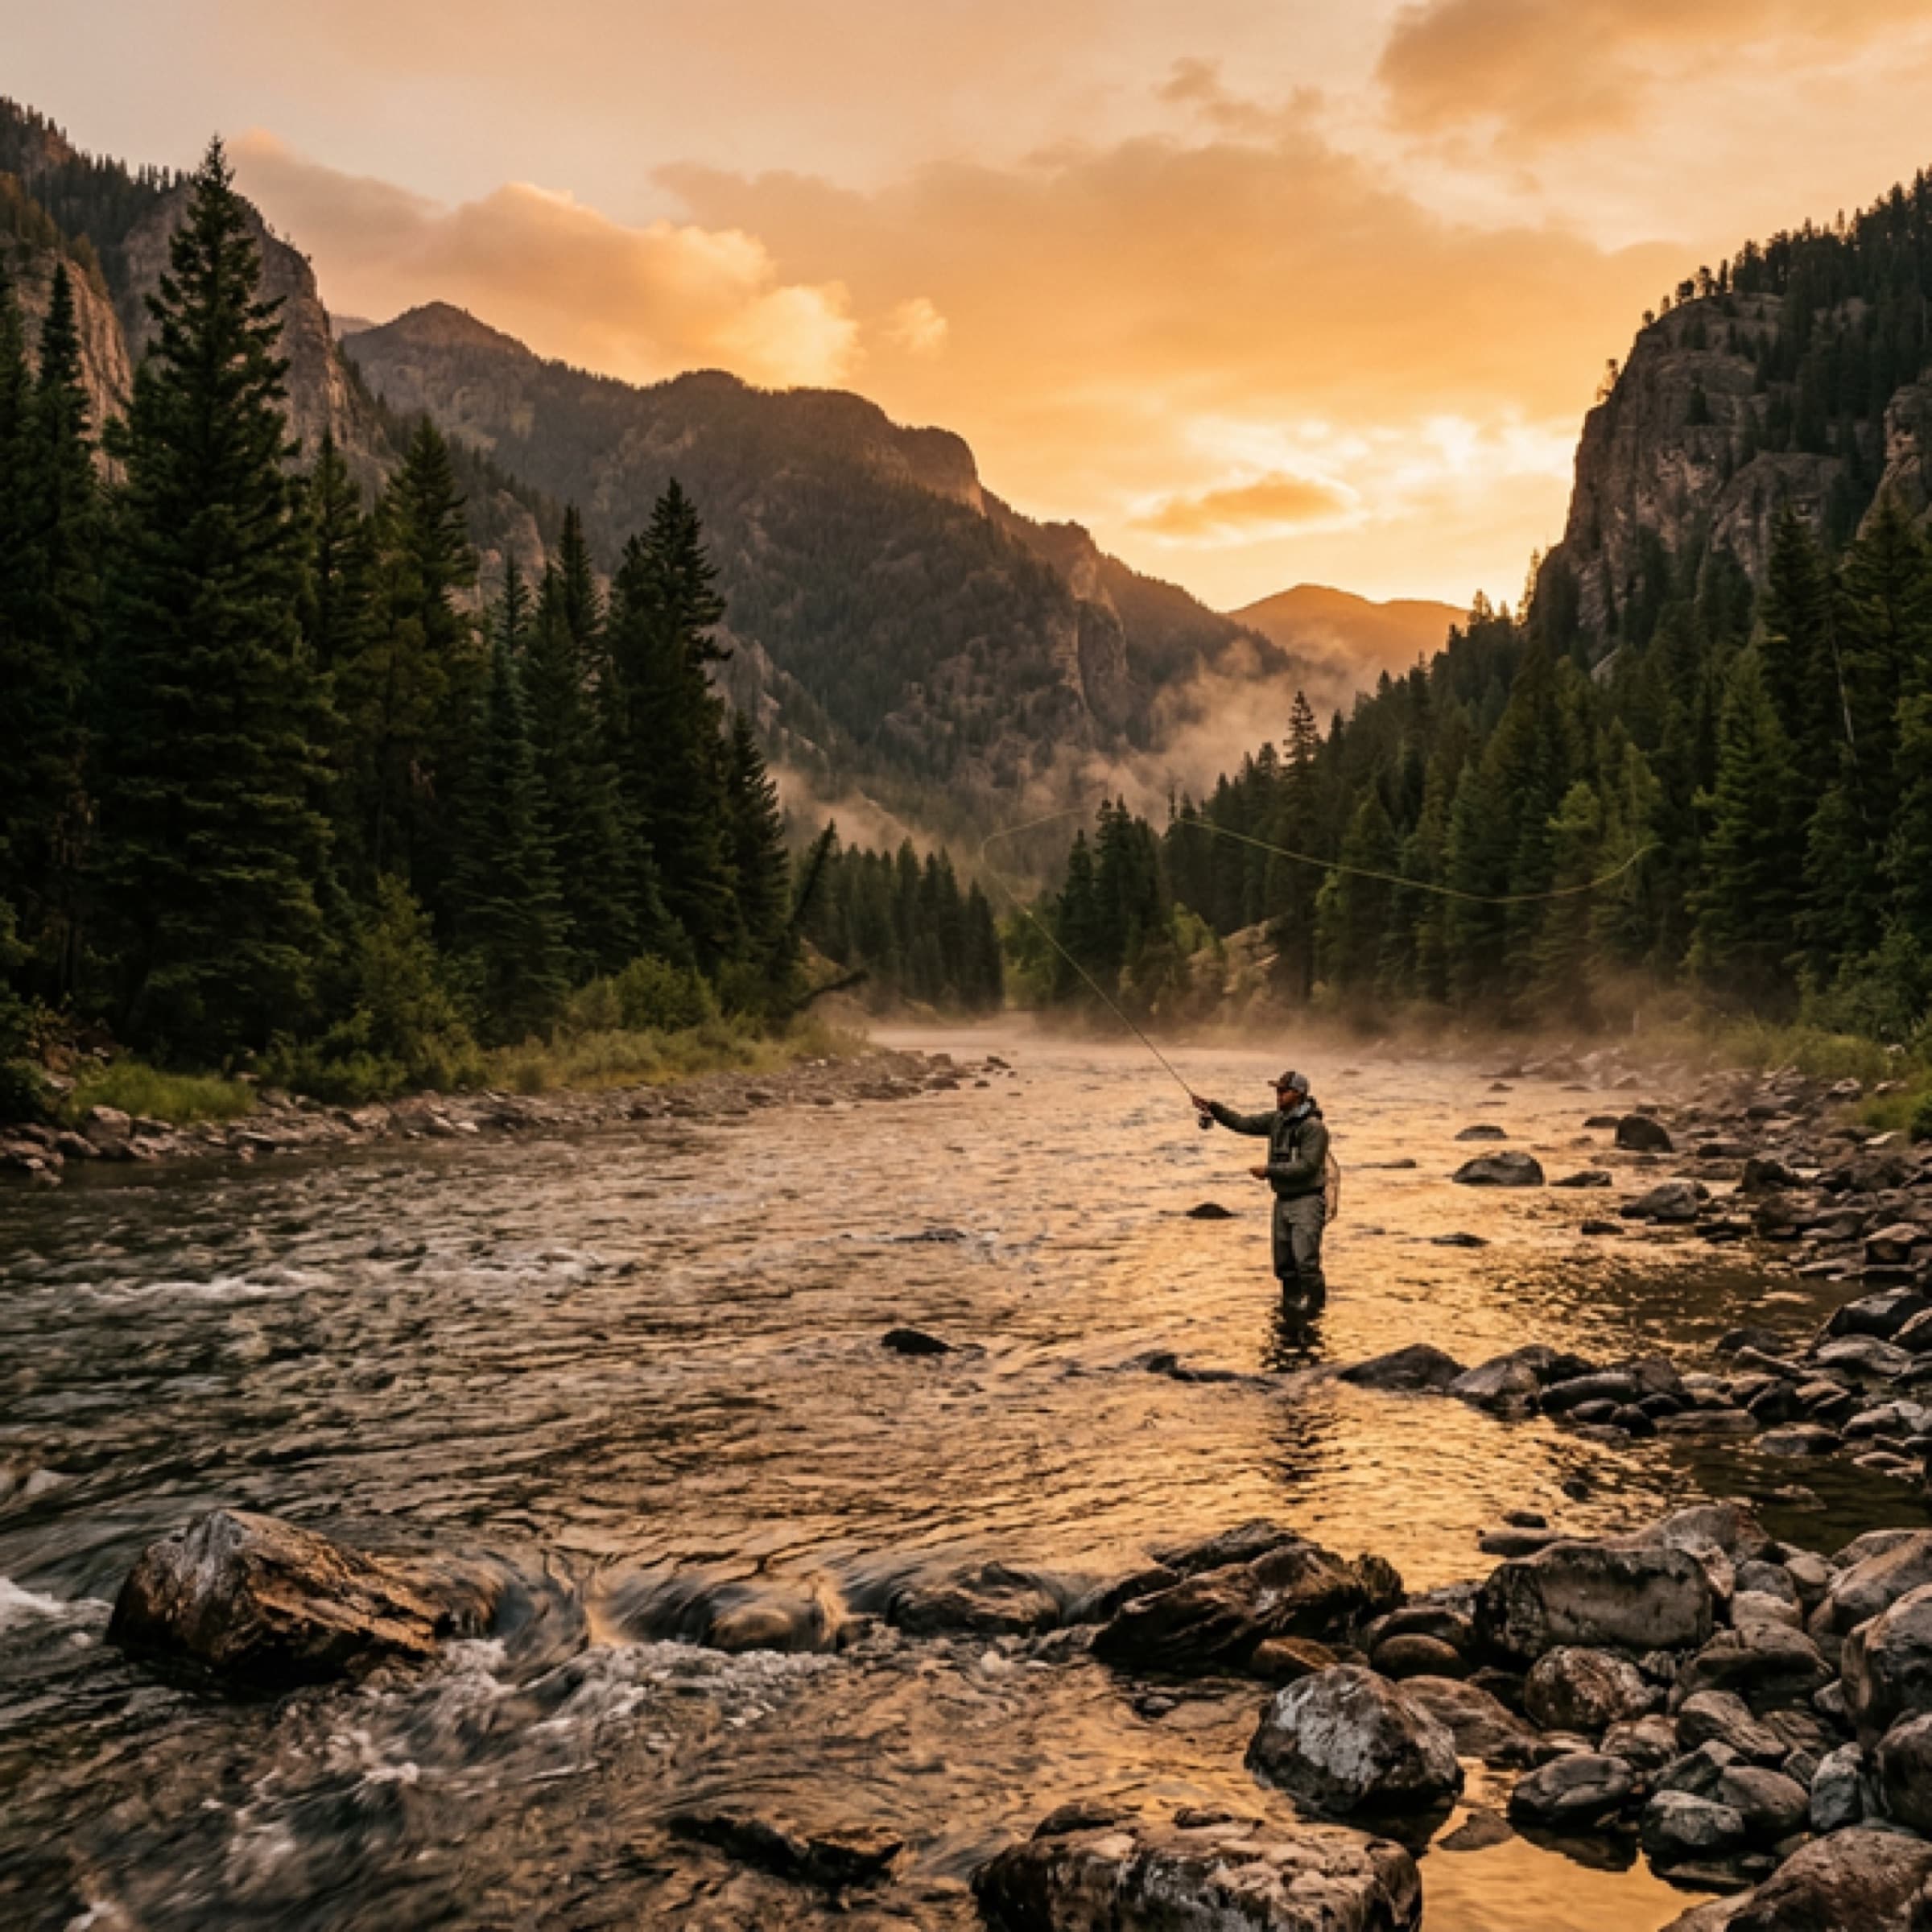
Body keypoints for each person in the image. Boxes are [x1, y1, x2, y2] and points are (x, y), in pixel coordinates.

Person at [1193, 1071, 1331, 1309]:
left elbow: (1308, 1167)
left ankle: (1317, 1311)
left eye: (1282, 1091)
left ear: (1298, 1094)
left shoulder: (1314, 1128)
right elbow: (1243, 1123)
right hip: (1283, 1201)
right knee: (1284, 1265)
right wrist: (1214, 1108)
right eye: (1277, 1091)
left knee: (1306, 1263)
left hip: (1308, 1201)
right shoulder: (1276, 1120)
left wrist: (1269, 1171)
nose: (1278, 1095)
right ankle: (1291, 1307)